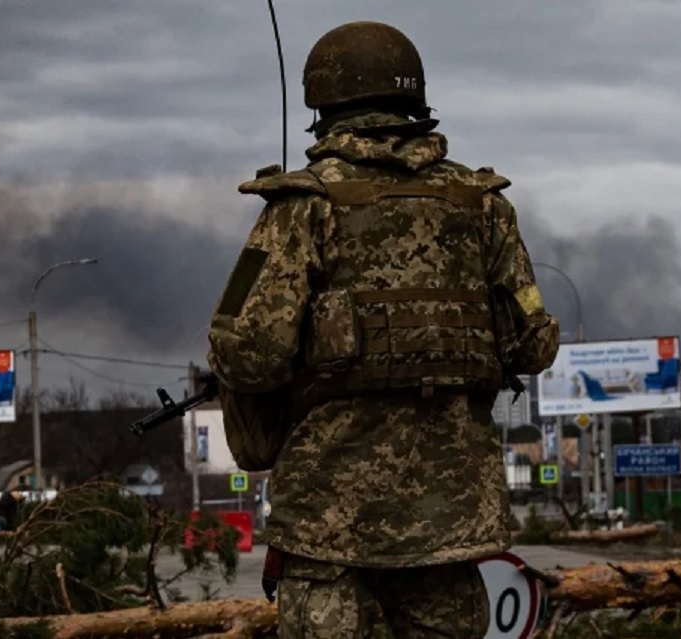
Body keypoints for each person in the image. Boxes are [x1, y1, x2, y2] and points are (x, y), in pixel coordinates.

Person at [207, 20, 560, 639]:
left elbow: (247, 350)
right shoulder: (484, 206)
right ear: (413, 100)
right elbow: (534, 342)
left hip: (328, 518)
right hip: (451, 519)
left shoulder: (302, 206)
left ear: (323, 104)